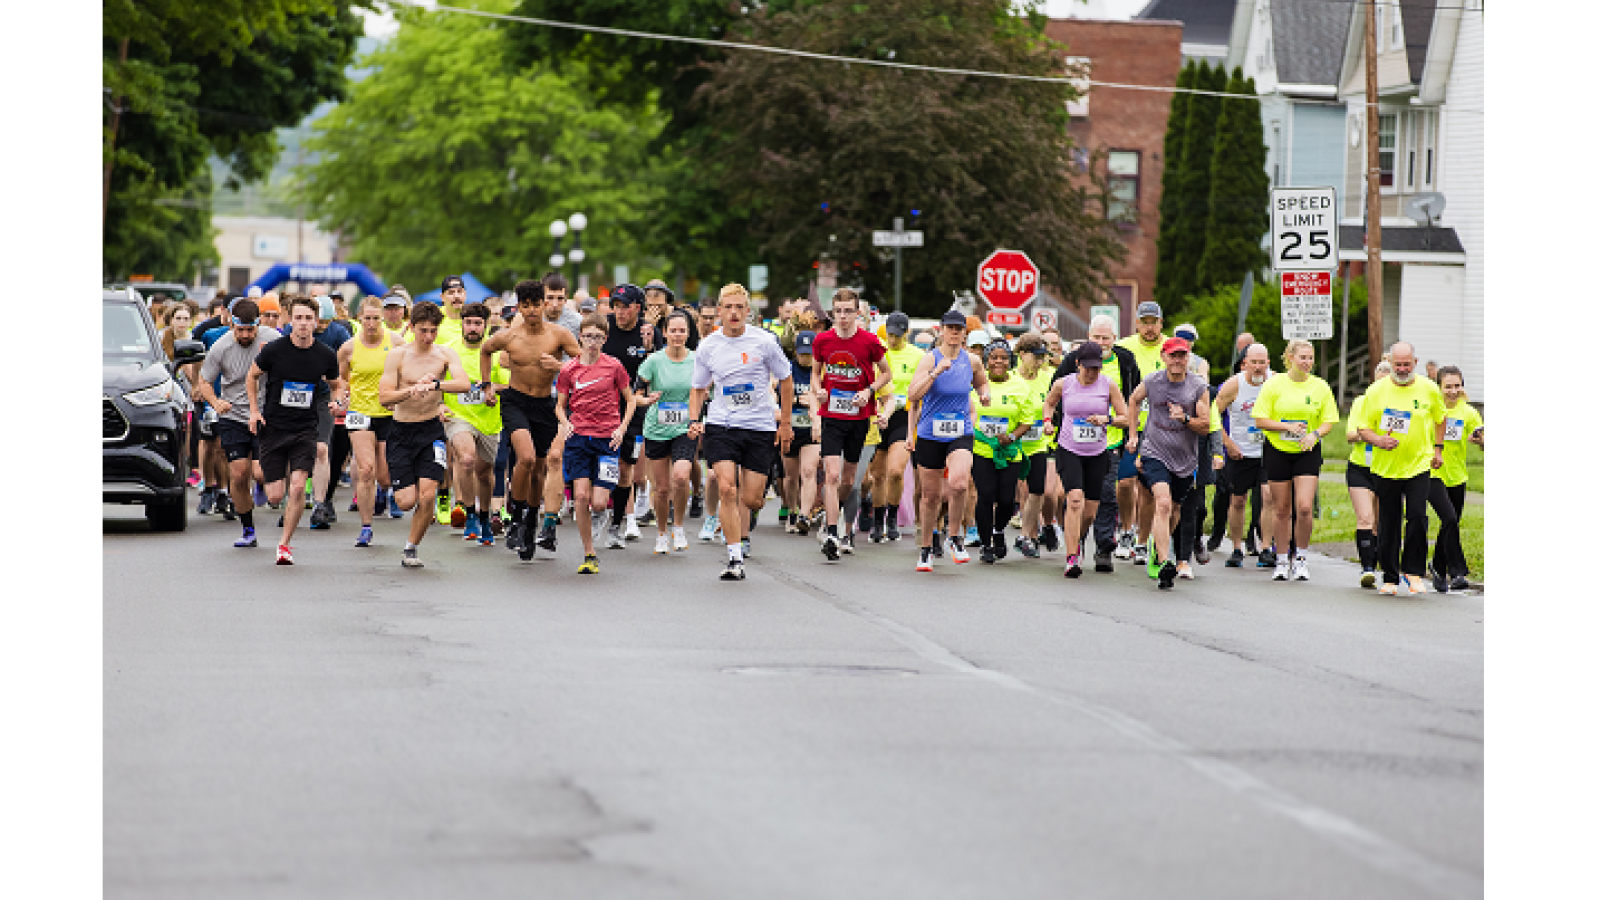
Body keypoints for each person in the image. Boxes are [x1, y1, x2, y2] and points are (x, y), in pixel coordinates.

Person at [687, 284, 795, 580]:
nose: (733, 313)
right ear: (719, 311)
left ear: (748, 311)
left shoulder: (765, 342)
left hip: (759, 426)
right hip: (722, 424)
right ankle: (735, 557)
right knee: (726, 488)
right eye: (728, 307)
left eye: (739, 307)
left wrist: (784, 424)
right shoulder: (709, 345)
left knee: (751, 499)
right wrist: (694, 419)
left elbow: (786, 381)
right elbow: (698, 388)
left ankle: (754, 508)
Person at [480, 279, 582, 560]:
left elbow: (586, 364)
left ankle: (530, 523)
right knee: (524, 459)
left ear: (544, 304)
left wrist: (560, 366)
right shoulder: (509, 336)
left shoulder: (559, 335)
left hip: (545, 405)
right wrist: (486, 385)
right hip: (515, 401)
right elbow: (485, 350)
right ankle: (515, 519)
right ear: (519, 307)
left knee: (538, 470)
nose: (532, 310)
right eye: (525, 306)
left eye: (536, 304)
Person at [245, 295, 345, 565]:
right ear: (290, 320)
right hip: (274, 427)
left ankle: (284, 545)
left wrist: (337, 402)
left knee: (299, 487)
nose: (303, 323)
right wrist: (254, 410)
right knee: (276, 496)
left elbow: (336, 384)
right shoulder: (274, 350)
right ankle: (282, 490)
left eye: (308, 318)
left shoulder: (324, 355)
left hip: (305, 428)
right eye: (298, 318)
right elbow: (252, 376)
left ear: (316, 321)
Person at [376, 302, 476, 568]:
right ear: (412, 327)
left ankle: (411, 547)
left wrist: (435, 385)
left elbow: (464, 384)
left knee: (428, 495)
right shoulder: (398, 355)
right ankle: (395, 496)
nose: (428, 337)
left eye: (433, 331)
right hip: (401, 431)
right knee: (406, 501)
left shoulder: (444, 355)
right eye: (423, 331)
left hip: (431, 430)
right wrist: (410, 390)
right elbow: (384, 397)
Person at [1353, 342, 1449, 596]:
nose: (1403, 369)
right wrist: (1379, 441)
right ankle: (1391, 576)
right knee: (1389, 522)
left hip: (1418, 464)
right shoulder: (1376, 391)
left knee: (1417, 516)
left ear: (1415, 363)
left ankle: (1414, 571)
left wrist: (1438, 449)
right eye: (1398, 365)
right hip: (1386, 468)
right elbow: (1363, 427)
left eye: (1407, 364)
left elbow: (1441, 419)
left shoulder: (1429, 388)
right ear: (1392, 363)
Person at [810, 288, 891, 560]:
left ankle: (830, 518)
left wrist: (869, 391)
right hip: (832, 416)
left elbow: (887, 373)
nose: (842, 317)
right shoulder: (822, 340)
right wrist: (818, 390)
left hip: (859, 418)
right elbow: (815, 374)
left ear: (857, 313)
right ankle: (832, 532)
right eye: (838, 312)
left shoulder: (869, 342)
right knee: (831, 475)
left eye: (848, 311)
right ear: (832, 313)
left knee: (848, 481)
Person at [555, 314, 639, 574]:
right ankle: (589, 553)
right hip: (578, 438)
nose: (593, 342)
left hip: (606, 439)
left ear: (605, 339)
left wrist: (622, 429)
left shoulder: (614, 367)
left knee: (600, 502)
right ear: (580, 337)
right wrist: (565, 423)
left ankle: (600, 515)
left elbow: (631, 399)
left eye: (598, 337)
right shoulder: (569, 369)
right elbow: (559, 406)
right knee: (580, 496)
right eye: (589, 336)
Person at [193, 299, 280, 548]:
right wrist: (215, 402)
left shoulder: (272, 338)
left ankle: (267, 485)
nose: (245, 335)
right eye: (240, 329)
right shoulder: (220, 347)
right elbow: (204, 382)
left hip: (265, 414)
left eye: (250, 329)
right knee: (239, 473)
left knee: (259, 473)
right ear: (231, 322)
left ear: (258, 323)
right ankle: (248, 529)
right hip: (233, 415)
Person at [1252, 339, 1341, 582]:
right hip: (1278, 450)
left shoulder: (1320, 387)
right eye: (1303, 357)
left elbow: (1329, 421)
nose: (1307, 362)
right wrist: (1286, 426)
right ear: (1290, 357)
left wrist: (1315, 434)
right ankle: (1281, 560)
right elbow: (1260, 420)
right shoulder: (1274, 384)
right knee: (1281, 509)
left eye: (1311, 358)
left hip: (1307, 451)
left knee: (1303, 507)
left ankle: (1300, 558)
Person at [908, 310, 991, 571]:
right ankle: (925, 549)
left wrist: (984, 395)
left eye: (959, 328)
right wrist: (934, 373)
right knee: (930, 496)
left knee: (958, 483)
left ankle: (955, 538)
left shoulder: (972, 361)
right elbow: (913, 395)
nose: (954, 332)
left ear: (964, 332)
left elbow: (982, 383)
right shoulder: (929, 359)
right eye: (950, 328)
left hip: (960, 431)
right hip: (931, 433)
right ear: (941, 331)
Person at [1126, 336, 1209, 590]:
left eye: (1181, 355)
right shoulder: (1152, 381)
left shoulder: (1197, 386)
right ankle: (1164, 562)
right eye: (1172, 355)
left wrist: (1185, 418)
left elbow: (1205, 426)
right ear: (1163, 357)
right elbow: (1133, 400)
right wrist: (1132, 435)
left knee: (1173, 510)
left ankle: (1157, 545)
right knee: (1161, 502)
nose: (1177, 360)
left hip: (1185, 459)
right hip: (1154, 451)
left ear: (1188, 359)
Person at [1044, 342, 1130, 577]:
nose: (1092, 373)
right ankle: (1072, 557)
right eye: (1088, 368)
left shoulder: (1109, 386)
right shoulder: (1064, 384)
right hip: (1069, 449)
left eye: (1097, 368)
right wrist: (1048, 422)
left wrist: (1107, 419)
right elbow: (1049, 403)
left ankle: (1077, 539)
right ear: (1077, 364)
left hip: (1097, 453)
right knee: (1074, 500)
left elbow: (1127, 418)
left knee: (1090, 512)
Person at [600, 283, 665, 547]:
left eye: (625, 306)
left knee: (628, 468)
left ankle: (620, 523)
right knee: (606, 465)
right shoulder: (604, 327)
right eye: (616, 305)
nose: (619, 311)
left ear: (638, 308)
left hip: (637, 408)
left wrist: (649, 348)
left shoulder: (650, 333)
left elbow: (659, 370)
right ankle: (607, 514)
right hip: (604, 407)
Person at [441, 301, 508, 547]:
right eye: (468, 322)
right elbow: (437, 382)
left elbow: (508, 385)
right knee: (466, 459)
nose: (472, 327)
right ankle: (470, 515)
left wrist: (490, 387)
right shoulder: (448, 351)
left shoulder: (498, 354)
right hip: (459, 416)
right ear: (462, 324)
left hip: (489, 420)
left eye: (477, 323)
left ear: (486, 326)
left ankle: (484, 515)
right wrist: (440, 404)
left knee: (484, 473)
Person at [336, 298, 398, 548]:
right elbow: (340, 380)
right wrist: (341, 397)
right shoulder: (348, 348)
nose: (371, 324)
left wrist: (399, 394)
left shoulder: (396, 343)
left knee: (384, 476)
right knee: (366, 470)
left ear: (382, 317)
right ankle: (366, 526)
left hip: (388, 413)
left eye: (376, 318)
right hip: (359, 413)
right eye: (367, 318)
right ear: (359, 318)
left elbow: (407, 370)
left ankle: (383, 492)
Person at [969, 339, 1037, 564]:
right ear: (986, 361)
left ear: (1010, 361)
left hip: (1009, 451)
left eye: (1003, 358)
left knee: (1007, 500)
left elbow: (1027, 420)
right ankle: (986, 543)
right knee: (986, 496)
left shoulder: (1020, 386)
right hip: (982, 449)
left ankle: (999, 531)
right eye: (993, 357)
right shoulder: (975, 384)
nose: (998, 361)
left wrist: (1012, 436)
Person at [637, 310, 698, 553]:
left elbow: (705, 392)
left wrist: (699, 418)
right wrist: (646, 400)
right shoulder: (653, 361)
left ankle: (679, 527)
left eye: (682, 330)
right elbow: (636, 393)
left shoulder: (697, 360)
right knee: (662, 489)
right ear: (665, 333)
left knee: (681, 477)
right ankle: (662, 533)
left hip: (685, 426)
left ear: (688, 333)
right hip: (657, 428)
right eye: (673, 330)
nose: (677, 335)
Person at [1113, 301, 1168, 566]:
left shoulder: (1172, 347)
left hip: (1161, 430)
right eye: (1144, 322)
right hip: (1130, 426)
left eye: (1153, 322)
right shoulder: (1124, 347)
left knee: (1146, 490)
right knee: (1125, 483)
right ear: (1136, 323)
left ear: (1161, 323)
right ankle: (1125, 530)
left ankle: (1141, 541)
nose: (1149, 327)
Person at [1213, 343, 1276, 568]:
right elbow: (1213, 415)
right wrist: (1227, 444)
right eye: (1254, 363)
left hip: (1269, 450)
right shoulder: (1234, 385)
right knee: (1238, 500)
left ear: (1268, 363)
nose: (1258, 367)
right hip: (1240, 451)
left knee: (1269, 497)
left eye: (1262, 362)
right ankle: (1237, 548)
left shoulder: (1276, 382)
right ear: (1245, 363)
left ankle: (1266, 548)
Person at [1429, 366, 1482, 593]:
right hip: (1432, 473)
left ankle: (1438, 568)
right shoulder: (1431, 409)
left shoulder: (1468, 412)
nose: (1453, 391)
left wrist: (1480, 440)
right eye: (1448, 386)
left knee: (1449, 524)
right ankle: (1457, 571)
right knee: (1449, 518)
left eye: (1457, 386)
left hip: (1457, 476)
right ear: (1439, 387)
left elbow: (1481, 438)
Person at [870, 312, 921, 543]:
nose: (892, 340)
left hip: (903, 417)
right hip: (878, 416)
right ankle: (878, 520)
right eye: (890, 335)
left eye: (898, 336)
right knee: (877, 475)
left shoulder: (918, 356)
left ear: (906, 334)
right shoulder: (877, 351)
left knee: (895, 471)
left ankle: (892, 517)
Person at [1345, 359, 1393, 587]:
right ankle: (1367, 568)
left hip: (1388, 468)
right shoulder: (1361, 402)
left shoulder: (1398, 405)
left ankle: (1381, 562)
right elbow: (1350, 435)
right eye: (1379, 382)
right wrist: (1372, 436)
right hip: (1360, 467)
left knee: (1380, 521)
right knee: (1365, 516)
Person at [1010, 333, 1056, 557]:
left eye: (1043, 357)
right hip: (1011, 444)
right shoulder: (1009, 378)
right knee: (1005, 492)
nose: (1040, 361)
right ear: (1022, 355)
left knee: (1037, 490)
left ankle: (1027, 536)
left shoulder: (1048, 379)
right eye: (1035, 357)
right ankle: (994, 534)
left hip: (1038, 443)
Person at [782, 330, 822, 535]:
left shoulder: (820, 372)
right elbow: (777, 397)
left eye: (810, 353)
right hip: (790, 428)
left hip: (811, 430)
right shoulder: (787, 369)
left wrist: (816, 403)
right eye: (802, 353)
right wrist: (798, 400)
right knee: (790, 476)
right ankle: (792, 510)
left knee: (808, 471)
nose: (806, 358)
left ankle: (804, 516)